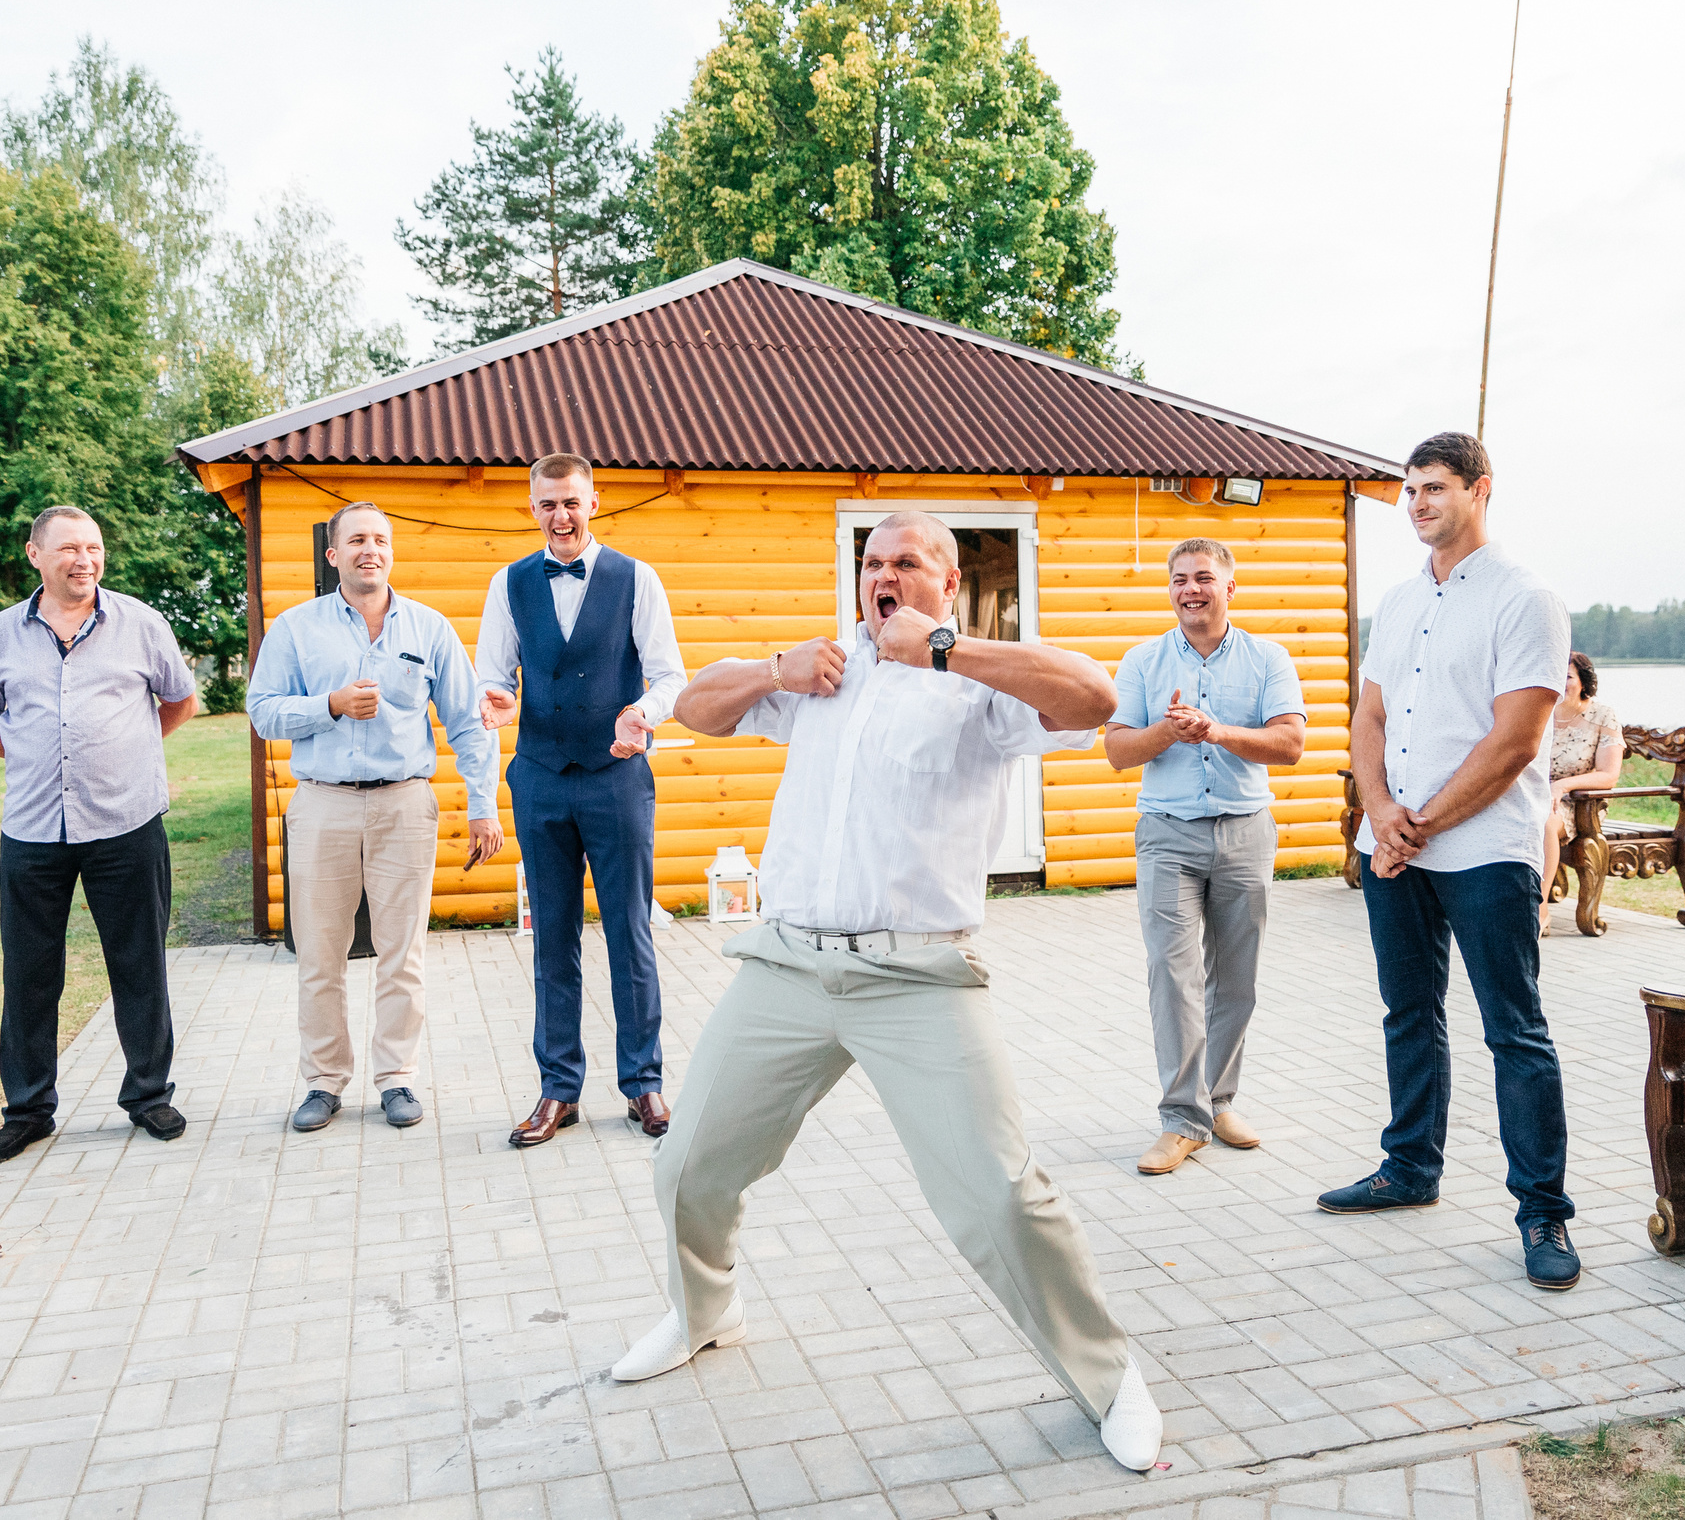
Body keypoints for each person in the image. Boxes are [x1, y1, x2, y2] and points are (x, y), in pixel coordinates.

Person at [619, 511, 1165, 1472]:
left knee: (998, 1197)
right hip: (788, 964)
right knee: (686, 1164)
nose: (882, 576)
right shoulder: (824, 672)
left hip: (917, 975)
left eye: (905, 563)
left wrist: (947, 651)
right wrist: (774, 671)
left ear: (945, 583)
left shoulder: (975, 685)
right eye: (870, 561)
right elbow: (696, 706)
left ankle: (1110, 1378)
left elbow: (1093, 695)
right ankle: (705, 1310)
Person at [1322, 431, 1580, 1290]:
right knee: (1407, 1011)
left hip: (1483, 848)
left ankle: (1543, 1210)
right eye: (1409, 490)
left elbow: (1517, 740)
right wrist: (1383, 814)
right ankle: (1409, 1167)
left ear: (1481, 489)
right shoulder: (1397, 602)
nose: (1418, 503)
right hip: (1393, 843)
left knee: (1515, 1030)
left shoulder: (1525, 598)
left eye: (1435, 487)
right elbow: (1368, 719)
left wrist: (1422, 821)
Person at [248, 502, 502, 1134]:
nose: (371, 549)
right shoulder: (296, 628)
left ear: (391, 552)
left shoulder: (429, 629)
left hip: (403, 804)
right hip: (323, 805)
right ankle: (324, 1082)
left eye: (381, 540)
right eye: (356, 540)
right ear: (332, 555)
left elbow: (469, 722)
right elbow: (262, 711)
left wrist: (482, 805)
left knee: (403, 951)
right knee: (320, 952)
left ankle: (396, 1078)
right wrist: (328, 705)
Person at [0, 506, 200, 1164]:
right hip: (33, 830)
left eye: (93, 546)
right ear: (34, 554)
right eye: (67, 547)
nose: (83, 559)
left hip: (126, 822)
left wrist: (129, 755)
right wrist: (43, 756)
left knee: (139, 962)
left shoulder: (142, 624)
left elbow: (180, 701)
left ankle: (148, 1093)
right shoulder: (0, 634)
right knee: (30, 973)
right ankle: (28, 1110)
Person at [474, 454, 687, 1145]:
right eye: (547, 504)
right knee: (552, 937)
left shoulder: (636, 578)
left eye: (570, 502)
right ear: (531, 508)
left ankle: (643, 1084)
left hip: (616, 776)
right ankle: (557, 1089)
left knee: (630, 930)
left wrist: (641, 714)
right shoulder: (508, 584)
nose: (560, 516)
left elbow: (669, 676)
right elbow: (491, 674)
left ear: (595, 501)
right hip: (538, 776)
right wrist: (498, 700)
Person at [1102, 537, 1306, 1175]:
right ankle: (1181, 1120)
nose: (1191, 589)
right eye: (1180, 579)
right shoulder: (1141, 660)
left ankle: (1217, 1102)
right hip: (1167, 834)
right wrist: (1170, 729)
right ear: (1171, 589)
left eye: (1204, 578)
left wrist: (1215, 730)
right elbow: (1118, 751)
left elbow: (1290, 743)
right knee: (1174, 975)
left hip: (1246, 833)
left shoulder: (1269, 657)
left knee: (1236, 980)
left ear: (1229, 588)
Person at [1539, 651, 1623, 933]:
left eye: (1568, 676)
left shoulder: (1603, 715)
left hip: (1577, 803)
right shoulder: (1539, 709)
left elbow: (1609, 775)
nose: (1560, 682)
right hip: (1535, 793)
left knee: (1544, 822)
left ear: (1584, 682)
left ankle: (1538, 910)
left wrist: (1562, 786)